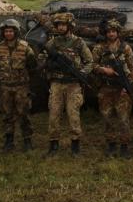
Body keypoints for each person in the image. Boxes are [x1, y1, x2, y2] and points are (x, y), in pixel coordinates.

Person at [39, 11, 94, 156]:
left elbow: (89, 61)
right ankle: (53, 145)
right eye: (58, 25)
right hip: (56, 84)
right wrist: (49, 64)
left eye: (63, 25)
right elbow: (41, 59)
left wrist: (82, 73)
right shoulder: (52, 43)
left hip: (73, 84)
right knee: (54, 115)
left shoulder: (78, 42)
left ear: (69, 26)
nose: (61, 28)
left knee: (73, 115)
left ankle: (75, 145)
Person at [91, 19, 133, 157]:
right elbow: (92, 65)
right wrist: (103, 70)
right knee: (107, 118)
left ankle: (124, 146)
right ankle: (111, 144)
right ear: (105, 33)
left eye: (113, 31)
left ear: (117, 32)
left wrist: (127, 86)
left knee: (123, 119)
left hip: (121, 89)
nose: (111, 34)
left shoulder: (126, 48)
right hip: (106, 88)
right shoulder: (99, 48)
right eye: (109, 32)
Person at [0, 18, 37, 152]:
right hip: (5, 87)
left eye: (11, 31)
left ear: (16, 32)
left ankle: (27, 141)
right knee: (7, 115)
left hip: (21, 87)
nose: (8, 33)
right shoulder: (0, 48)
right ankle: (9, 141)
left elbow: (32, 64)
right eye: (6, 31)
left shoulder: (25, 47)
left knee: (23, 114)